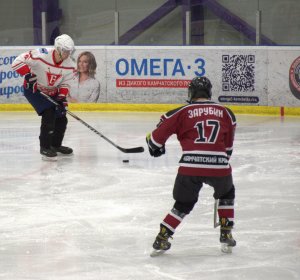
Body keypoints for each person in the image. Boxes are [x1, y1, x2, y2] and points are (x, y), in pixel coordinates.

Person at [146, 76, 237, 256]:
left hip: (189, 167)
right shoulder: (226, 113)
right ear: (209, 92)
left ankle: (163, 236)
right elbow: (228, 148)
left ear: (191, 93)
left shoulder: (181, 112)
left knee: (182, 204)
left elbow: (155, 139)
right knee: (227, 193)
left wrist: (155, 146)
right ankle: (226, 231)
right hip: (219, 165)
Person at [12, 34, 76, 161]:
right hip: (34, 90)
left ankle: (55, 145)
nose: (68, 54)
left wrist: (61, 97)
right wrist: (28, 75)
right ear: (58, 49)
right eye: (65, 51)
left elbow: (66, 82)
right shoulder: (41, 54)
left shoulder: (71, 64)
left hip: (53, 92)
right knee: (49, 113)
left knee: (62, 119)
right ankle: (45, 147)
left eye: (70, 51)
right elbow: (17, 62)